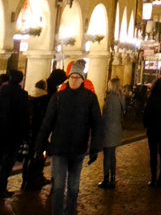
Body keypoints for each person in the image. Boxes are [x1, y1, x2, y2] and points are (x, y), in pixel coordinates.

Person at [36, 59, 102, 215]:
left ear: (82, 79)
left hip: (78, 148)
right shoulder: (58, 97)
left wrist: (94, 147)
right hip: (59, 147)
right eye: (72, 77)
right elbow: (48, 122)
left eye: (77, 77)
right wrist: (40, 145)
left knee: (73, 187)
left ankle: (70, 212)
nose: (74, 80)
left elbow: (97, 123)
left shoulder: (90, 98)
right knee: (58, 186)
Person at [0, 70, 31, 197]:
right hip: (13, 134)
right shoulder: (22, 95)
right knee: (7, 162)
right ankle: (0, 189)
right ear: (20, 80)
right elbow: (24, 117)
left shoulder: (0, 93)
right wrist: (25, 135)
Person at [99, 76, 124, 189]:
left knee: (107, 156)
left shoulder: (110, 98)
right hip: (116, 128)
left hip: (108, 129)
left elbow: (106, 116)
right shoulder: (120, 97)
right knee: (112, 155)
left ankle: (106, 179)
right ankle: (112, 179)